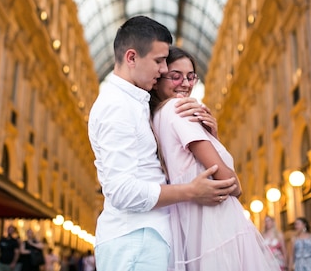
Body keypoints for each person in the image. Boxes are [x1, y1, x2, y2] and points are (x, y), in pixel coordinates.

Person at [87, 15, 238, 271]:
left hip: (144, 240)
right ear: (132, 57)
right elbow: (121, 190)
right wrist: (191, 191)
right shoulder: (116, 106)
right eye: (158, 61)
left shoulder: (136, 103)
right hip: (134, 242)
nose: (164, 70)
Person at [150, 46, 281, 270]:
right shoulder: (178, 109)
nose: (185, 83)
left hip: (195, 224)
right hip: (216, 223)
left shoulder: (157, 117)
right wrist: (233, 179)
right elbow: (231, 184)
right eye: (175, 76)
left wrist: (214, 136)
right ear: (158, 79)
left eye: (191, 77)